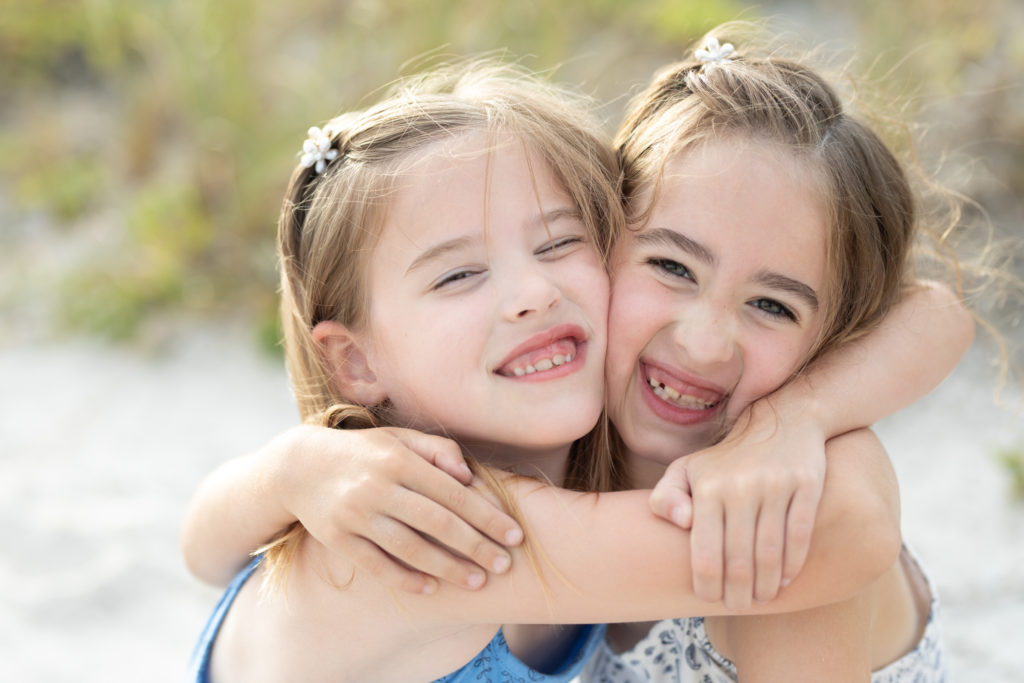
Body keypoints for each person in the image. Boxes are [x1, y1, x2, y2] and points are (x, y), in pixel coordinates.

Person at [184, 38, 974, 681]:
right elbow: (847, 526)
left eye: (559, 243)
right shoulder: (420, 532)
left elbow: (932, 310)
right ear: (354, 362)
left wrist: (804, 416)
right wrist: (288, 469)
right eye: (459, 273)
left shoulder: (595, 468)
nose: (531, 292)